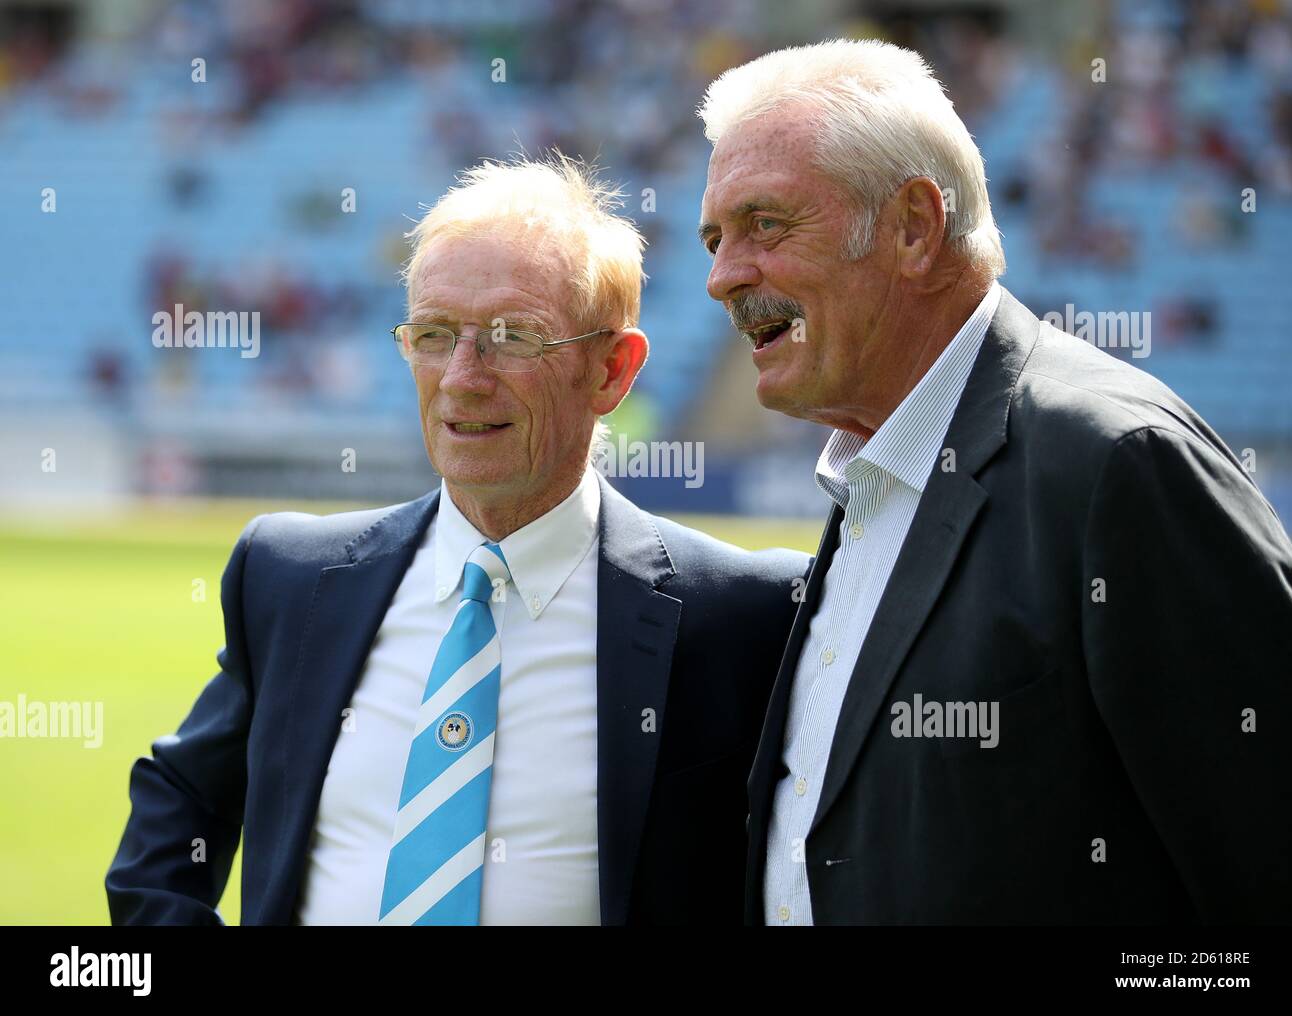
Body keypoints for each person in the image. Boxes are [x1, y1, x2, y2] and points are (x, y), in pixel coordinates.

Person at [107, 155, 809, 926]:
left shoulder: (740, 614)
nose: (462, 377)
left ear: (612, 370)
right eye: (435, 334)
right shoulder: (290, 579)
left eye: (511, 338)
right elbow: (179, 803)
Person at [695, 39, 1292, 924]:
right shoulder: (877, 475)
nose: (721, 278)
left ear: (912, 227)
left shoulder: (1116, 464)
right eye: (714, 239)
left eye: (766, 224)